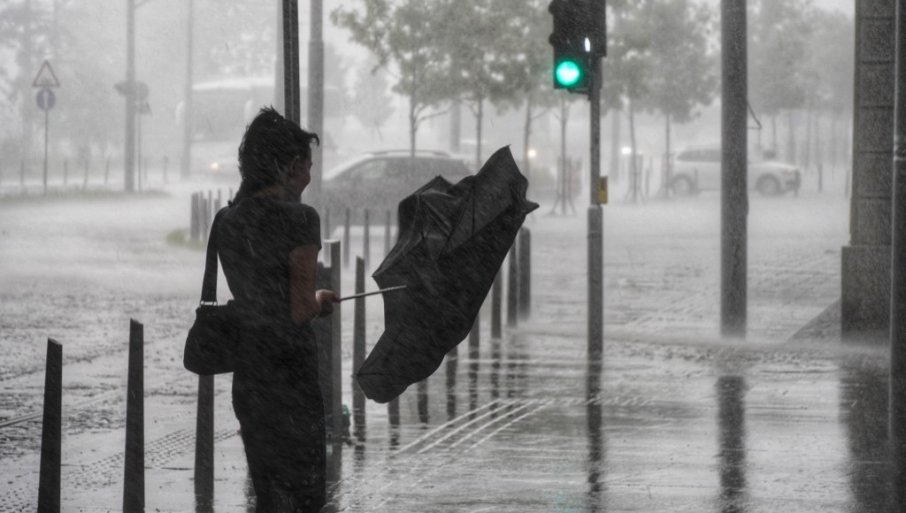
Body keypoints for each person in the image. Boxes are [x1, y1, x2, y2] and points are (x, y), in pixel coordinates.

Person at [213, 106, 339, 512]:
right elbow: (299, 309)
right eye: (306, 166)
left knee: (266, 489)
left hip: (251, 373)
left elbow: (259, 294)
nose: (308, 176)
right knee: (304, 493)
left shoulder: (228, 221)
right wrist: (321, 300)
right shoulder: (300, 219)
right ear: (287, 166)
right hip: (291, 374)